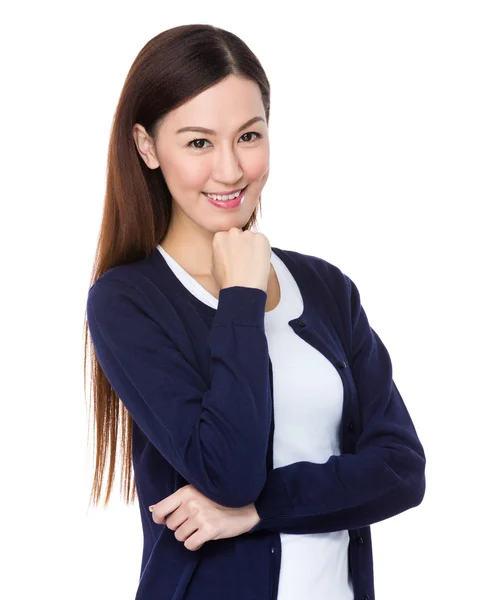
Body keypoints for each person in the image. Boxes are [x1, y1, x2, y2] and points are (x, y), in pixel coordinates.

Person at [84, 24, 426, 600]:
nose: (230, 169)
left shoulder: (324, 287)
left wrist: (255, 511)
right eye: (198, 143)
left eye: (248, 135)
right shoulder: (128, 302)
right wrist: (240, 297)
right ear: (147, 147)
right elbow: (228, 471)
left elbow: (401, 470)